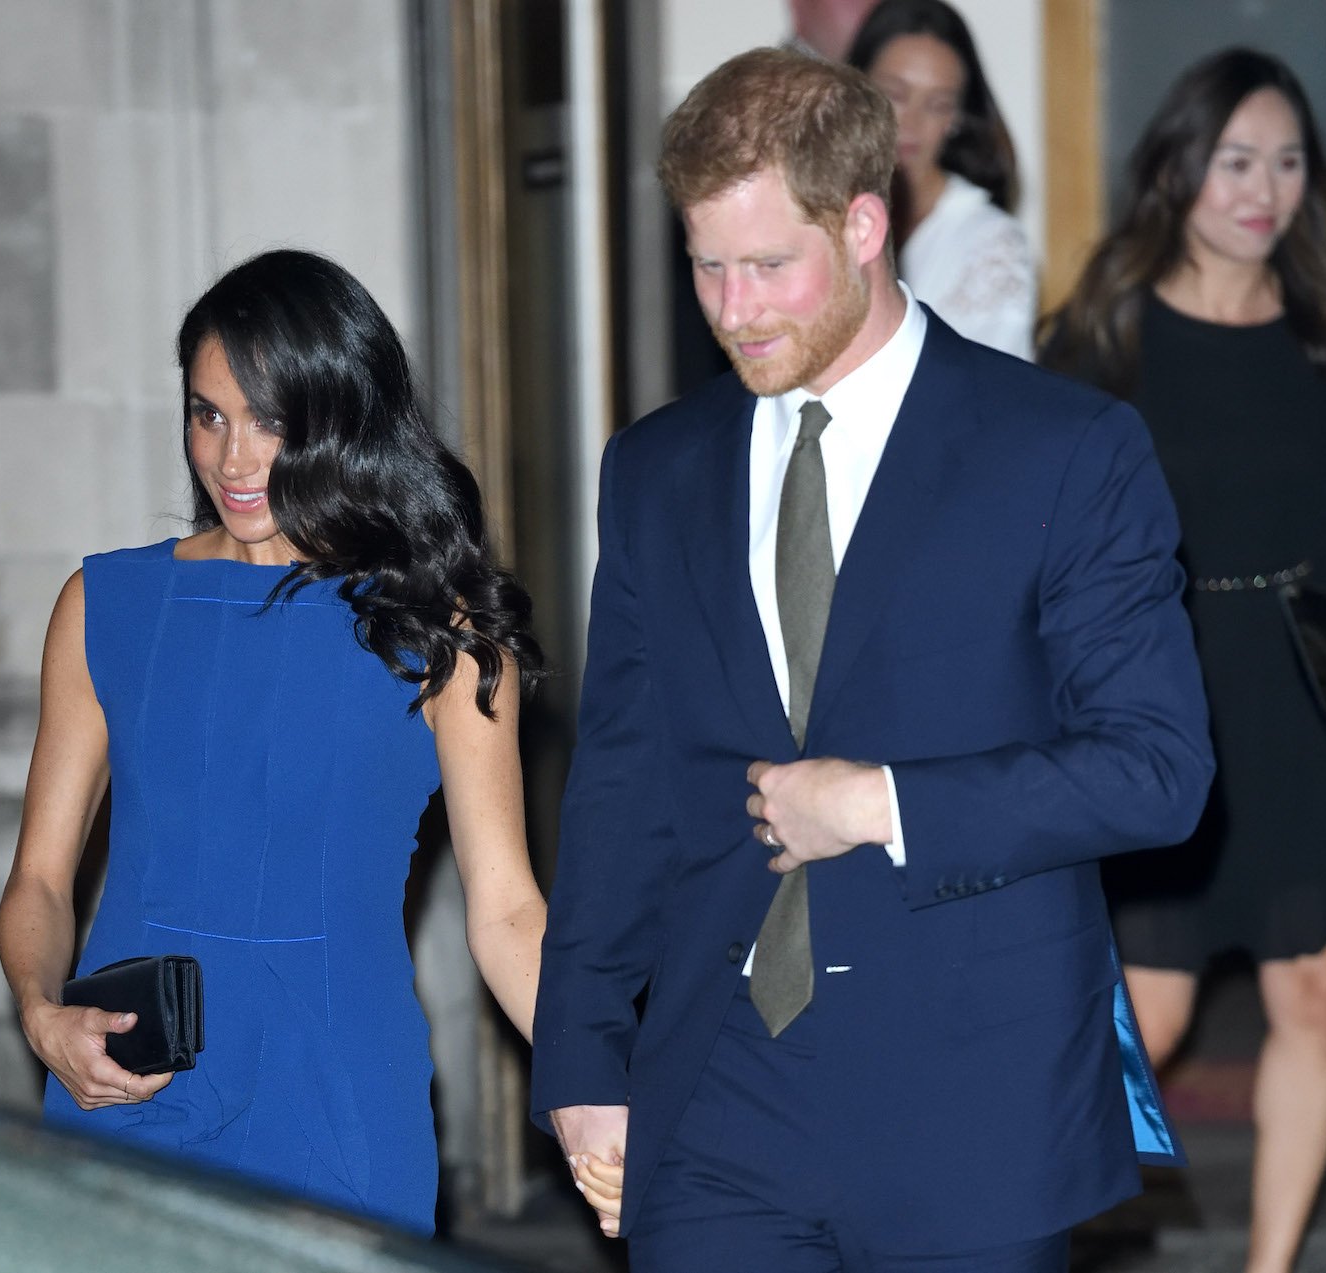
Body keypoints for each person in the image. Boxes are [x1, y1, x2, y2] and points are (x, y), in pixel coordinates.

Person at [531, 48, 1215, 1272]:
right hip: (717, 1090)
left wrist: (883, 802)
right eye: (706, 267)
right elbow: (621, 782)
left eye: (766, 267)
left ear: (862, 224)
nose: (734, 310)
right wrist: (582, 1058)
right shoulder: (655, 470)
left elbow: (1158, 768)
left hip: (972, 1091)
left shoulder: (1063, 451)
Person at [0, 249, 555, 1236]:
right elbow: (41, 880)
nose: (234, 457)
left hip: (336, 1097)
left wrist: (611, 1087)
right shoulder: (104, 606)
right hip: (129, 1080)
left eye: (271, 420)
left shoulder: (438, 629)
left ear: (339, 417)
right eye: (208, 414)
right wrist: (43, 1015)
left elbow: (508, 913)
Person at [1039, 49, 1326, 1273]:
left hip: (1305, 699)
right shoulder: (1105, 337)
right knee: (1145, 1017)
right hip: (1161, 690)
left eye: (1287, 162)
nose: (1263, 190)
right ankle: (1010, 1235)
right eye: (1235, 161)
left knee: (1316, 1000)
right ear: (1178, 169)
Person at [849, 0, 1035, 357]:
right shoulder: (810, 210)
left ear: (957, 120)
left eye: (937, 105)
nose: (911, 124)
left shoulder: (990, 244)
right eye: (896, 96)